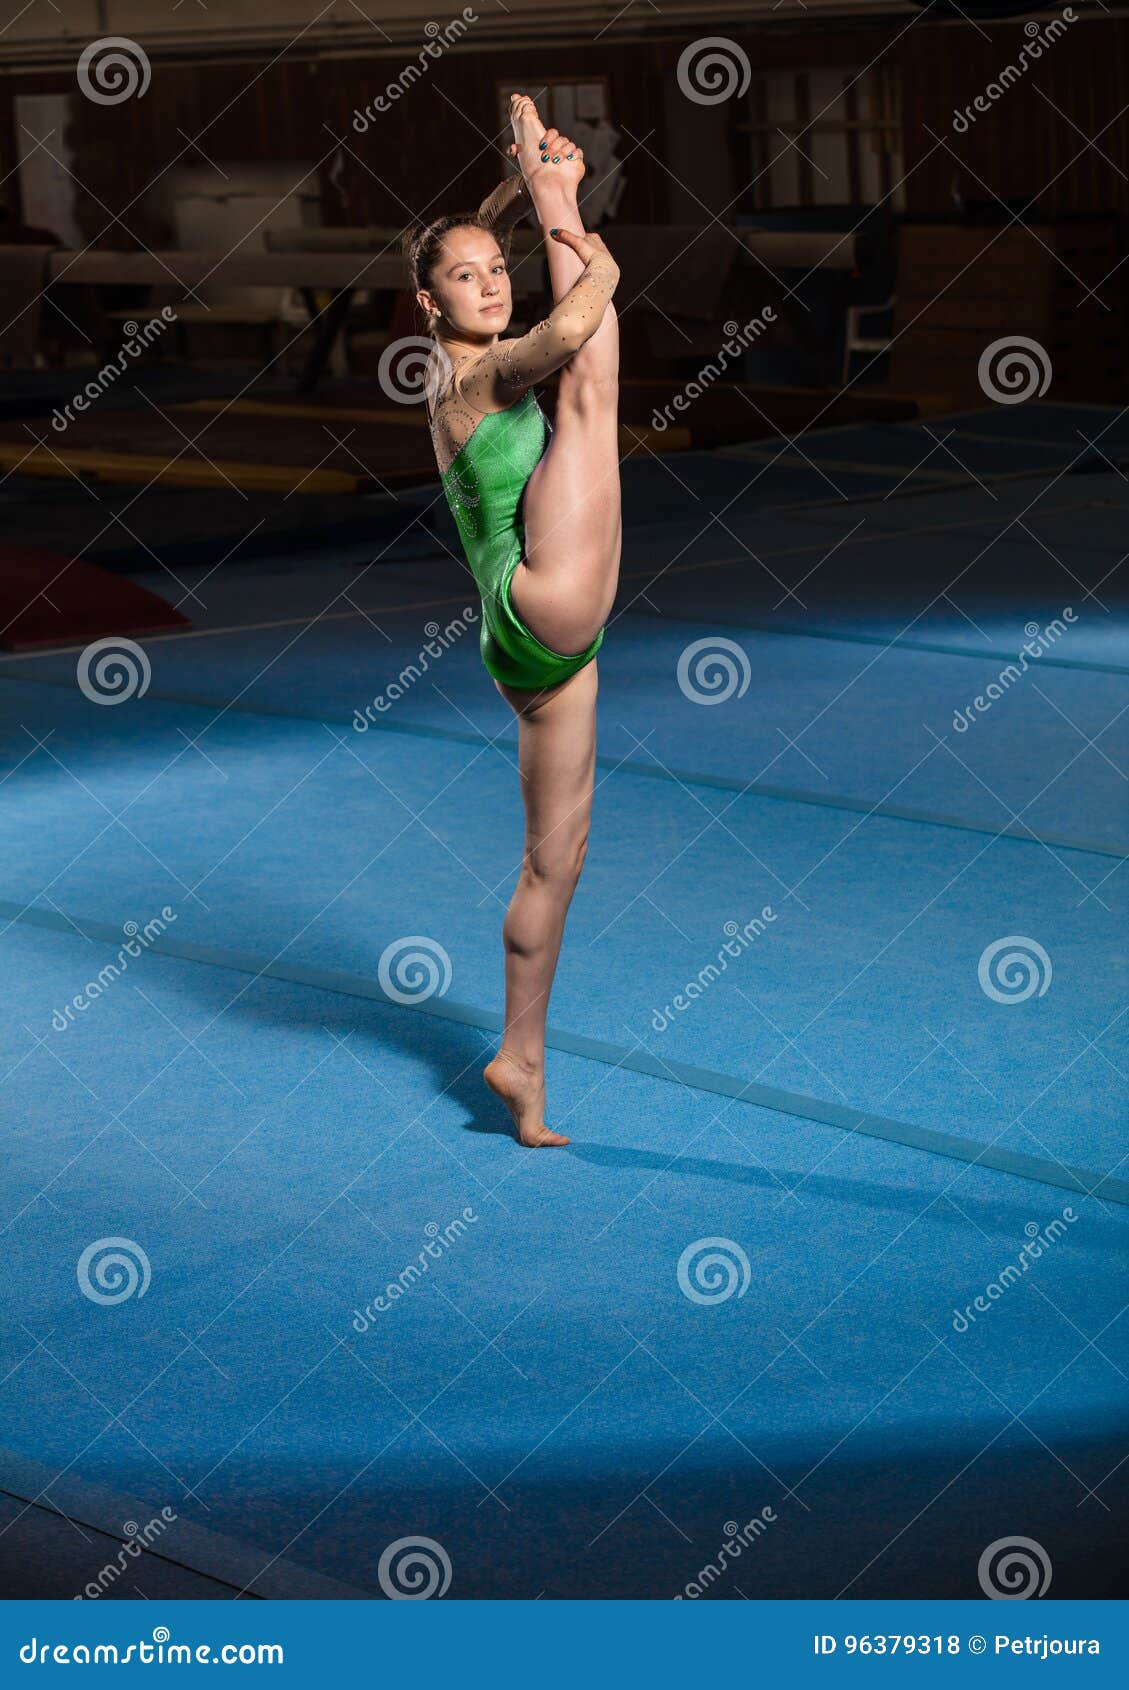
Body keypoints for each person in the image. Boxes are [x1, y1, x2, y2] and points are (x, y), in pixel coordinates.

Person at [402, 92, 622, 1147]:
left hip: (525, 638)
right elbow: (574, 328)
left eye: (497, 270)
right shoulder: (480, 376)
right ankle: (554, 193)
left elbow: (485, 262)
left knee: (555, 860)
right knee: (589, 390)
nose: (490, 285)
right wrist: (579, 231)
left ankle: (519, 1061)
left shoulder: (449, 370)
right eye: (466, 277)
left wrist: (520, 185)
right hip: (538, 595)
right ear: (427, 302)